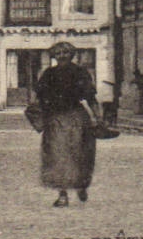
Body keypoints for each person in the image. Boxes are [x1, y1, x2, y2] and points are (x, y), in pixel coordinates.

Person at [36, 41, 98, 207]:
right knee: (58, 157)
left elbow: (90, 97)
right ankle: (62, 194)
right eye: (58, 53)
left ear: (72, 55)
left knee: (81, 154)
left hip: (77, 118)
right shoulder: (48, 74)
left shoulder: (81, 73)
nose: (62, 56)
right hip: (55, 119)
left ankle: (81, 184)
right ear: (54, 56)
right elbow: (39, 97)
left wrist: (98, 118)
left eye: (66, 53)